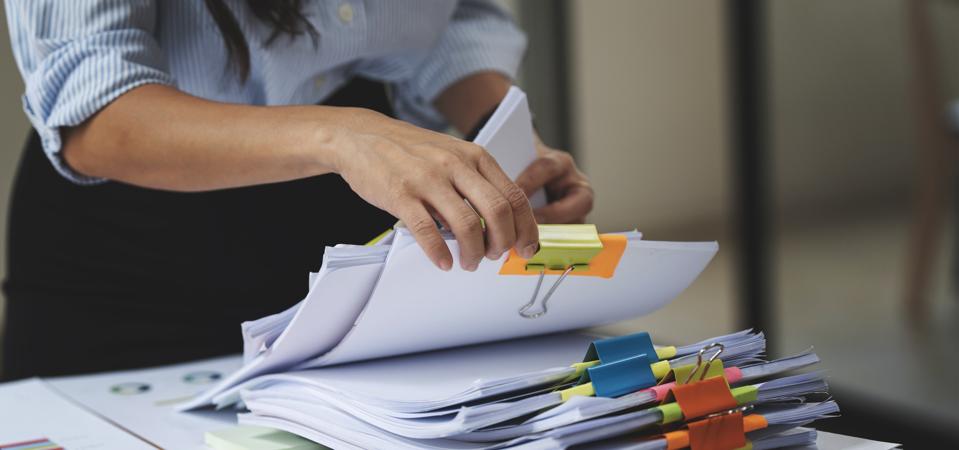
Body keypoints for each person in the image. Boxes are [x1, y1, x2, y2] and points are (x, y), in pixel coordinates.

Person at [0, 0, 593, 380]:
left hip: (357, 199)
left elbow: (452, 20)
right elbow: (94, 110)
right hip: (137, 233)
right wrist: (345, 137)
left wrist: (502, 141)